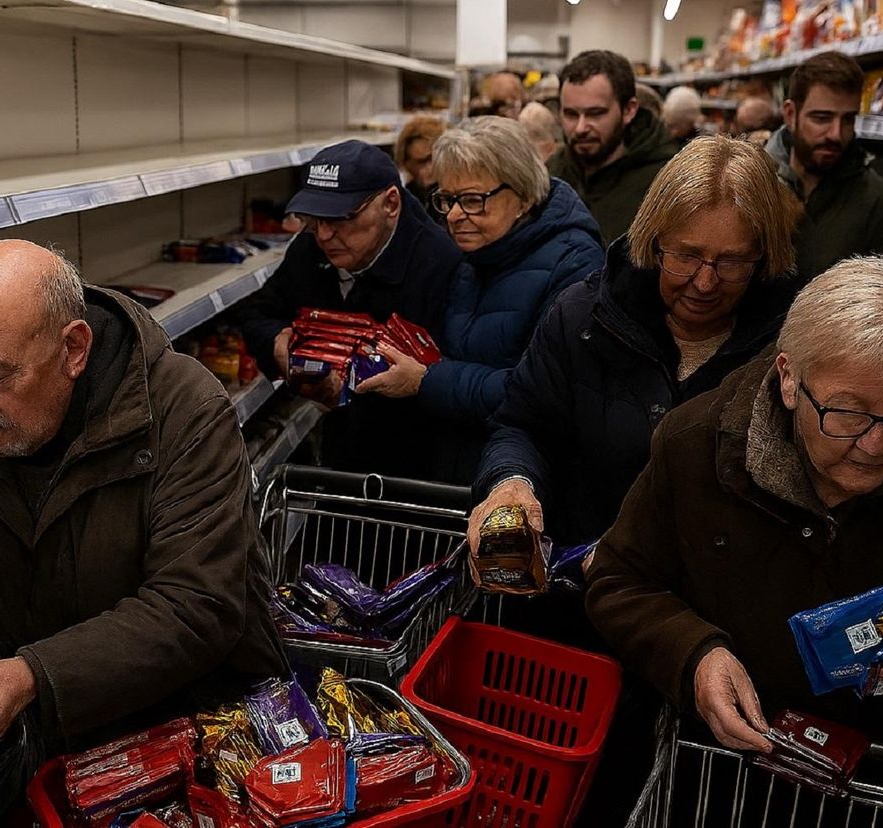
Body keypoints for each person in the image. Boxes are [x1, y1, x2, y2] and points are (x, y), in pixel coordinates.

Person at [470, 134, 803, 828]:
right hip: (577, 629)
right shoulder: (583, 317)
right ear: (653, 238)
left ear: (764, 257)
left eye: (731, 262)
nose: (704, 282)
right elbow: (521, 421)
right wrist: (510, 484)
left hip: (712, 649)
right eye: (685, 255)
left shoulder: (793, 350)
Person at [0, 241, 285, 777]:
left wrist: (33, 674)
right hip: (67, 733)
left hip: (212, 731)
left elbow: (195, 607)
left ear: (74, 349)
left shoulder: (185, 410)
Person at [586, 255, 883, 751]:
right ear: (789, 379)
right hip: (730, 763)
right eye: (848, 413)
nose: (874, 446)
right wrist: (695, 654)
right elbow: (619, 580)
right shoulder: (695, 444)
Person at [356, 116, 603, 484]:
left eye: (473, 200)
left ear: (523, 196)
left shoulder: (574, 265)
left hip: (527, 485)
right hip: (460, 479)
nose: (455, 216)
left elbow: (546, 392)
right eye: (447, 199)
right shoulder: (478, 256)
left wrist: (427, 381)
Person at [235, 139, 463, 477]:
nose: (324, 235)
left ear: (390, 204)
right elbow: (258, 313)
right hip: (342, 461)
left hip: (422, 470)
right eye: (313, 218)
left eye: (342, 217)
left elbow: (464, 379)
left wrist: (419, 382)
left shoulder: (443, 265)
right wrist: (280, 349)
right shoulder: (310, 250)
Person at [766, 51, 883, 282]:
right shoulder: (757, 183)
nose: (836, 134)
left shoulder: (876, 198)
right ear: (790, 114)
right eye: (821, 118)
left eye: (848, 120)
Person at [549, 50, 676, 246]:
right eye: (571, 114)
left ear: (628, 110)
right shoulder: (552, 173)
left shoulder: (664, 183)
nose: (581, 128)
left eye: (595, 114)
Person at [394, 115, 446, 210]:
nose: (430, 169)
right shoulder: (408, 197)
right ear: (407, 165)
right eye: (422, 162)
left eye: (432, 158)